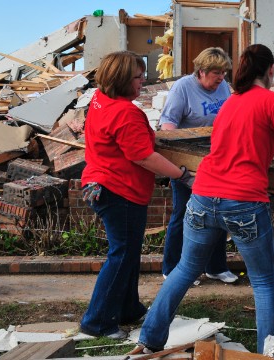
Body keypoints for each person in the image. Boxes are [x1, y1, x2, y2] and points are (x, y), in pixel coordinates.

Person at [136, 44, 274, 354]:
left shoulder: (230, 102)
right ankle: (272, 351)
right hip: (243, 202)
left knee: (185, 269)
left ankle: (148, 340)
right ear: (270, 70)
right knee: (263, 281)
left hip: (203, 196)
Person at [79, 51, 195, 339]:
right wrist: (181, 174)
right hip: (119, 191)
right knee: (121, 255)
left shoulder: (99, 99)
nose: (144, 81)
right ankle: (98, 322)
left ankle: (128, 308)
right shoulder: (125, 112)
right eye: (138, 77)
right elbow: (143, 156)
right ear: (120, 79)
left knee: (128, 254)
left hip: (102, 184)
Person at [159, 47, 238, 284]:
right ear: (202, 72)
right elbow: (167, 125)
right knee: (183, 212)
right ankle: (172, 268)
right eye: (216, 73)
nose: (221, 78)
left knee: (217, 213)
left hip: (217, 160)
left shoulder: (223, 86)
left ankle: (215, 266)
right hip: (187, 162)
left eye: (224, 73)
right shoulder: (183, 87)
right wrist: (182, 161)